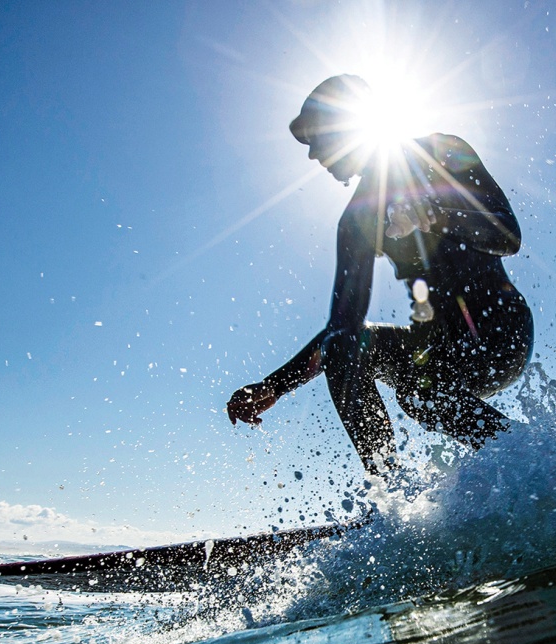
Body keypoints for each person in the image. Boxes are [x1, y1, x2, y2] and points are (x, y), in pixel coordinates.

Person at [226, 75, 533, 473]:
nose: (312, 154)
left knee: (422, 394)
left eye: (316, 137)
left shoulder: (445, 152)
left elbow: (508, 235)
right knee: (360, 355)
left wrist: (439, 216)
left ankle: (526, 460)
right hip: (442, 345)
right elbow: (343, 328)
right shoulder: (355, 222)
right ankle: (391, 492)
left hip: (501, 332)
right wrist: (275, 386)